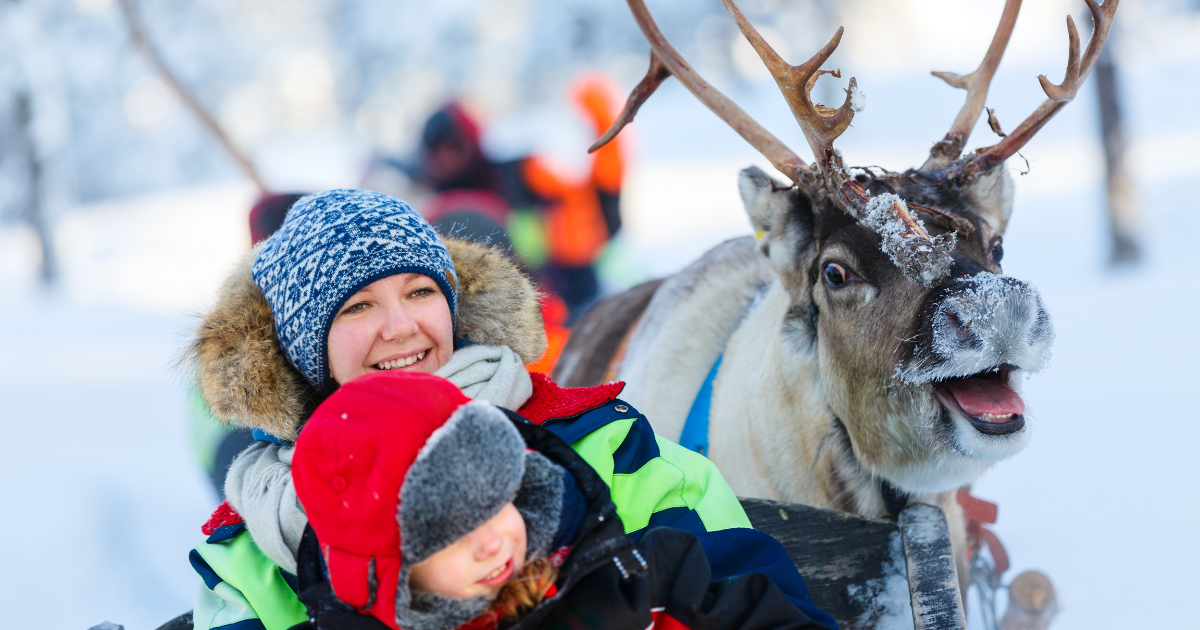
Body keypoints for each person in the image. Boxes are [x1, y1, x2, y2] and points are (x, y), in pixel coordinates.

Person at [185, 189, 831, 630]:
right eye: (357, 307)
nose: (401, 326)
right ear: (305, 351)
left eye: (418, 291)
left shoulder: (603, 449)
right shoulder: (249, 557)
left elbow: (743, 593)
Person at [285, 370, 833, 630]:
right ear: (390, 573)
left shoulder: (641, 578)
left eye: (497, 502)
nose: (492, 539)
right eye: (453, 534)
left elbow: (763, 605)